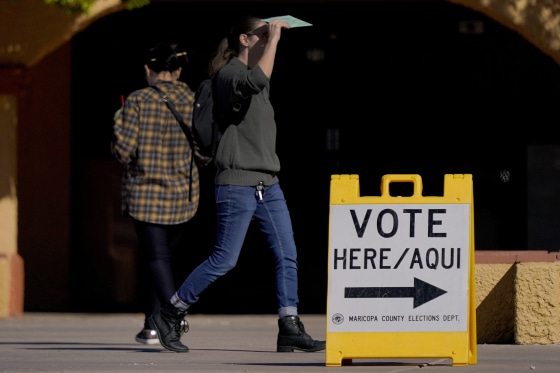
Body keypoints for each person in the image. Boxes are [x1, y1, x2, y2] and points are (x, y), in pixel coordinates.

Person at [147, 15, 326, 353]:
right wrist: (273, 39)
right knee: (224, 259)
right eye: (261, 33)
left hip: (267, 183)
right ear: (244, 40)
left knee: (287, 254)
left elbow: (261, 79)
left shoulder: (257, 76)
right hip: (237, 183)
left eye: (268, 34)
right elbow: (256, 80)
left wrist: (271, 40)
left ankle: (289, 325)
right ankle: (170, 313)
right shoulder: (228, 75)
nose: (268, 37)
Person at [111, 42, 197, 345]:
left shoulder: (136, 100)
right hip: (184, 194)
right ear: (178, 71)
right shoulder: (192, 99)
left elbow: (123, 150)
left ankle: (174, 317)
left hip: (145, 194)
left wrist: (117, 125)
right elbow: (206, 150)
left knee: (155, 259)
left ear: (148, 70)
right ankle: (151, 323)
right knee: (162, 260)